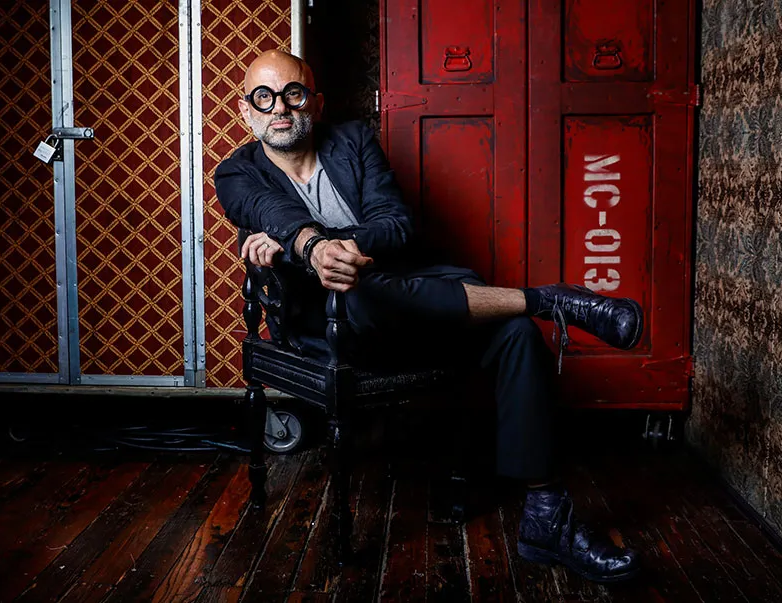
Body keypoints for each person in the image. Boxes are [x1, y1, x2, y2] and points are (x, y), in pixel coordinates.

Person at [215, 50, 641, 583]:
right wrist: (309, 247)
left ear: (315, 103)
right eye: (264, 97)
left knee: (514, 333)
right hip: (331, 330)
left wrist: (341, 248)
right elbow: (272, 214)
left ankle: (546, 516)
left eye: (293, 93)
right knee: (356, 295)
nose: (280, 107)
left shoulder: (352, 142)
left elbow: (395, 225)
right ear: (246, 112)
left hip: (408, 307)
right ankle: (549, 299)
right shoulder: (235, 172)